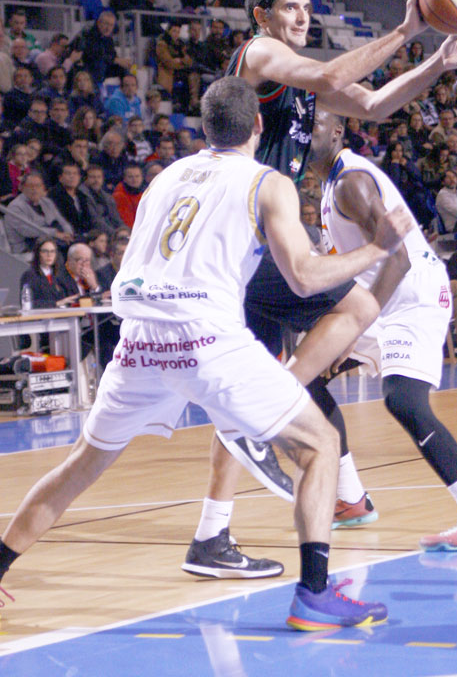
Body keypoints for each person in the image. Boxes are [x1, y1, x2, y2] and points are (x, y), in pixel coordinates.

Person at [0, 76, 416, 631]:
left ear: (203, 126)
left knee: (81, 464)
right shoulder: (268, 182)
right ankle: (314, 595)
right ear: (260, 126)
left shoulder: (166, 175)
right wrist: (376, 248)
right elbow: (304, 278)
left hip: (139, 337)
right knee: (321, 443)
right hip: (205, 337)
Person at [182, 0, 457, 576]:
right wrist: (408, 27)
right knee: (353, 303)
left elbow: (376, 105)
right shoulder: (261, 55)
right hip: (245, 243)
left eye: (306, 6)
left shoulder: (300, 87)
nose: (301, 17)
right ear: (262, 17)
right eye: (289, 7)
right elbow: (332, 74)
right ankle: (281, 405)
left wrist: (439, 61)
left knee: (239, 394)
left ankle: (211, 535)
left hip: (249, 249)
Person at [314, 108, 457, 548]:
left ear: (338, 131)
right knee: (305, 377)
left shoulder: (351, 183)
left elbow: (397, 258)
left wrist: (352, 328)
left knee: (403, 400)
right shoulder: (328, 184)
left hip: (411, 292)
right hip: (378, 297)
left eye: (315, 125)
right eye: (300, 125)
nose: (305, 133)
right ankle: (349, 498)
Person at [19, 236, 71, 308]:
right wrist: (56, 304)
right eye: (45, 251)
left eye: (52, 251)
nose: (49, 255)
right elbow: (28, 303)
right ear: (38, 253)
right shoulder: (29, 275)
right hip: (41, 317)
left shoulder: (60, 274)